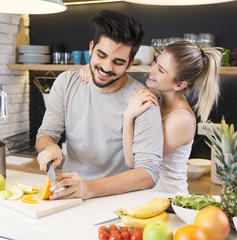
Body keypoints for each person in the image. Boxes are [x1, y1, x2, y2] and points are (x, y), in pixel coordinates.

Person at [35, 10, 163, 200]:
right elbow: (44, 135)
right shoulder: (66, 82)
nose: (106, 67)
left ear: (129, 64)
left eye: (118, 62)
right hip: (71, 196)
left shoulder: (143, 100)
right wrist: (49, 147)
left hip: (120, 202)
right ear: (91, 48)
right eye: (101, 55)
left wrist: (89, 188)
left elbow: (149, 173)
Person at [80, 41, 222, 193]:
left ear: (179, 85)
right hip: (145, 196)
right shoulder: (155, 96)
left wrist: (128, 117)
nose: (152, 69)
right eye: (156, 61)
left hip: (167, 200)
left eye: (161, 70)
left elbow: (134, 163)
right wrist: (95, 69)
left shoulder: (181, 120)